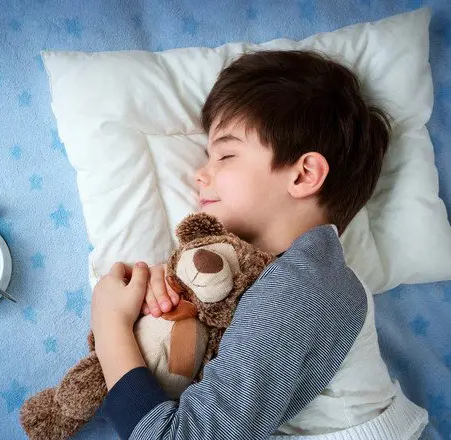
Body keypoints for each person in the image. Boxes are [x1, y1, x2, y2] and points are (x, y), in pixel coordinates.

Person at [90, 50, 429, 440]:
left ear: (303, 175)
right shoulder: (291, 279)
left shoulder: (303, 288)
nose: (200, 174)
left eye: (226, 154)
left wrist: (110, 325)